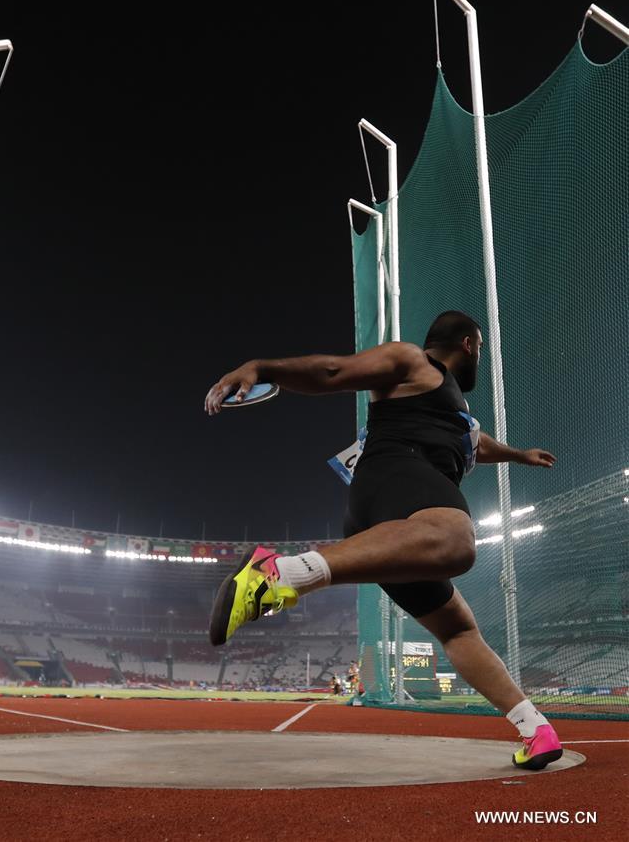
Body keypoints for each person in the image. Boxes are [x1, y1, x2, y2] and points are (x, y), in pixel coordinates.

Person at [204, 311, 562, 770]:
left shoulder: (456, 413)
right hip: (394, 480)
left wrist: (518, 455)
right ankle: (277, 575)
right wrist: (263, 367)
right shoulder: (411, 361)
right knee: (456, 541)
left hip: (400, 515)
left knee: (457, 627)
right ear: (471, 344)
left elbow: (477, 442)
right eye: (480, 349)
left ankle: (535, 729)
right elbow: (333, 371)